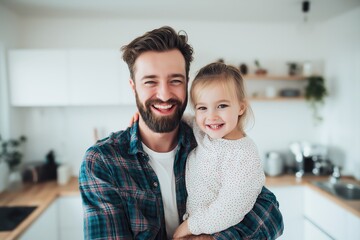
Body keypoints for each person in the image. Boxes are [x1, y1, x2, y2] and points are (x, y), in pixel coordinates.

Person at [78, 26, 284, 240]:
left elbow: (271, 214)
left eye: (175, 81)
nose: (165, 94)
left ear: (187, 84)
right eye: (150, 82)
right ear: (134, 87)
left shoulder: (209, 140)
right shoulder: (103, 161)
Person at [172, 62, 265, 239]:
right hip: (197, 228)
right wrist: (144, 121)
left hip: (218, 232)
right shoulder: (204, 133)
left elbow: (229, 208)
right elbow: (186, 119)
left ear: (241, 107)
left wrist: (188, 227)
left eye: (222, 106)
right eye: (202, 108)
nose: (211, 116)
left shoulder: (243, 154)